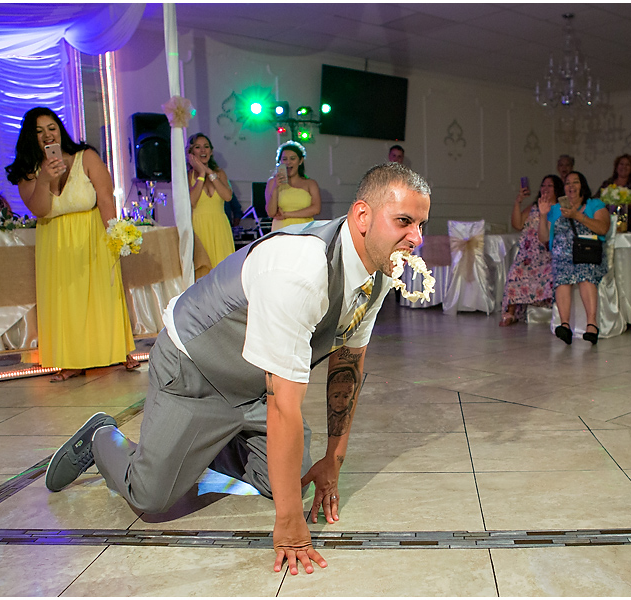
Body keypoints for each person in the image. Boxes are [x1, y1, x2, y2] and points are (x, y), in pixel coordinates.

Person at [44, 163, 431, 576]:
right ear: (362, 216)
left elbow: (348, 364)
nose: (416, 239)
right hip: (197, 370)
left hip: (253, 387)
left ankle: (208, 444)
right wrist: (288, 524)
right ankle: (102, 438)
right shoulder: (301, 269)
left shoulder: (382, 270)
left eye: (422, 224)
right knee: (151, 498)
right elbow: (284, 407)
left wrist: (333, 461)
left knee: (288, 478)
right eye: (404, 222)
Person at [5, 107, 138, 381]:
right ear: (31, 136)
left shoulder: (85, 156)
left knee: (101, 295)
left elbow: (104, 196)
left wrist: (114, 233)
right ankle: (73, 359)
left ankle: (113, 351)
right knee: (66, 300)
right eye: (39, 131)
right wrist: (45, 178)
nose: (47, 135)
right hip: (55, 241)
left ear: (60, 129)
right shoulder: (28, 170)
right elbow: (40, 209)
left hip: (92, 236)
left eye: (51, 127)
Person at [538, 171, 610, 345]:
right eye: (567, 183)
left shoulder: (595, 204)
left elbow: (603, 228)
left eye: (575, 182)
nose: (571, 186)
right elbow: (544, 238)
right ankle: (564, 325)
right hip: (562, 254)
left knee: (585, 273)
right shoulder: (555, 209)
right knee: (562, 275)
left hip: (587, 253)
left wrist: (577, 215)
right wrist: (542, 215)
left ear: (582, 186)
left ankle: (591, 325)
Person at [499, 174, 564, 326]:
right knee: (516, 272)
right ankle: (510, 312)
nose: (545, 189)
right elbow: (517, 224)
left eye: (549, 186)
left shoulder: (560, 209)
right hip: (528, 255)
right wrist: (518, 201)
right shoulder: (533, 207)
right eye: (543, 185)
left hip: (548, 254)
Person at [186, 133, 236, 269]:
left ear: (211, 151)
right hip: (199, 226)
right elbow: (191, 202)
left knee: (223, 270)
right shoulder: (188, 176)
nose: (203, 150)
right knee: (204, 270)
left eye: (206, 147)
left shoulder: (219, 173)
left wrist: (209, 172)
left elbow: (227, 196)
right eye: (198, 147)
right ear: (191, 153)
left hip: (220, 227)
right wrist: (201, 174)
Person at [265, 140, 321, 231]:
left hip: (305, 230)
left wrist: (287, 214)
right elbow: (271, 213)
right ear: (279, 161)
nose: (288, 162)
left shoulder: (310, 183)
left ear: (300, 161)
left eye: (292, 158)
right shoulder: (272, 182)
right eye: (284, 159)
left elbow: (316, 209)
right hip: (282, 230)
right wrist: (275, 188)